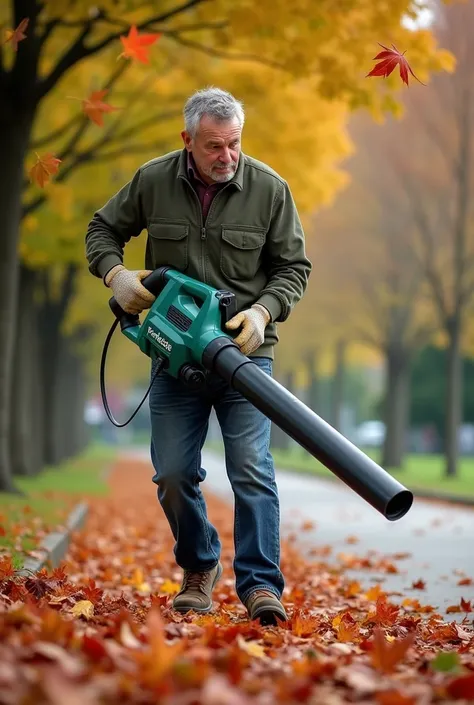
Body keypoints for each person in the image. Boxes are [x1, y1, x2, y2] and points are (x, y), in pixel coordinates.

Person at [85, 87, 312, 625]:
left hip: (245, 359)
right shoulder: (153, 180)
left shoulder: (269, 190)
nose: (226, 156)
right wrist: (115, 275)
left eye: (234, 144)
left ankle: (261, 587)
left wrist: (263, 313)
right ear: (187, 140)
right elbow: (101, 230)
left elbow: (293, 269)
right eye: (213, 145)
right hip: (173, 357)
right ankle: (198, 565)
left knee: (252, 469)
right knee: (172, 473)